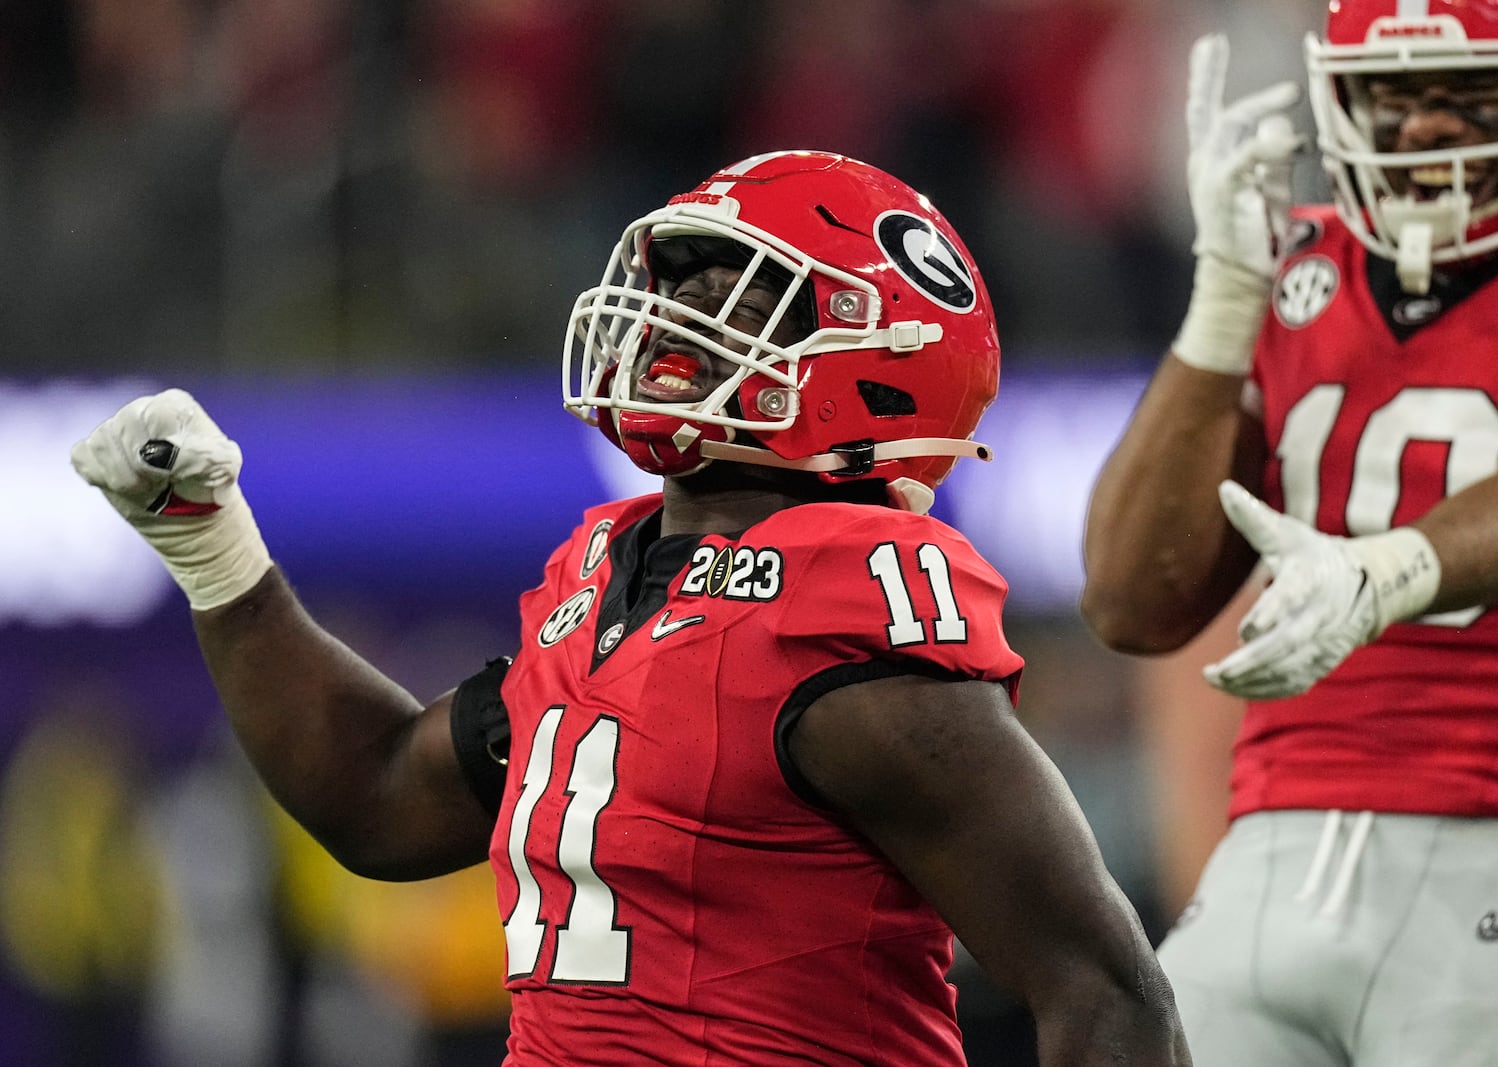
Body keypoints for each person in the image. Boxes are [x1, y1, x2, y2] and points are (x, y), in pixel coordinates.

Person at [72, 151, 1191, 1067]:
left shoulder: (846, 622)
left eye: (742, 287)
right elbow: (374, 793)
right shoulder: (612, 581)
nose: (678, 306)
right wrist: (213, 546)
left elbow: (1107, 994)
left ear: (884, 354)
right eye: (681, 275)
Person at [1081, 1, 1498, 1063]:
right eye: (1393, 97)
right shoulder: (1293, 267)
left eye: (1466, 96)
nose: (1421, 131)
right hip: (1265, 863)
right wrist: (1222, 302)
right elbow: (1130, 598)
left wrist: (1388, 571)